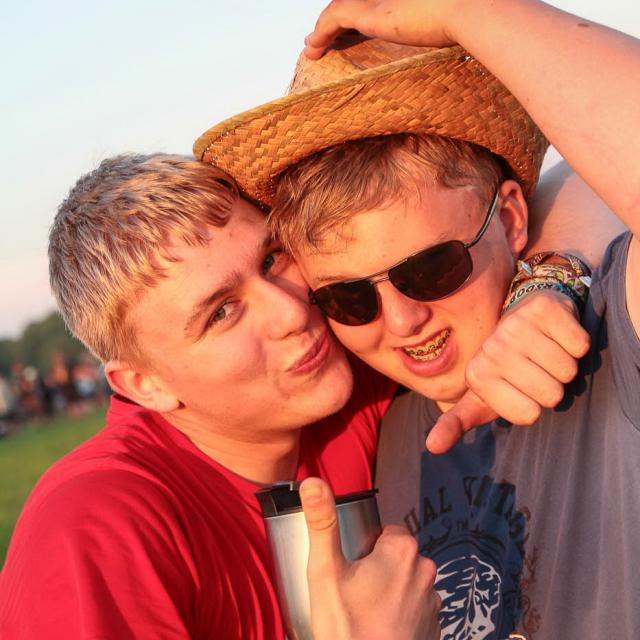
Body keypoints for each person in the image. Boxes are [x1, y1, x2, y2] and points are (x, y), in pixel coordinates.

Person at [195, 0, 639, 637]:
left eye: (432, 269)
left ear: (511, 219)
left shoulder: (609, 341)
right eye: (350, 298)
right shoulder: (393, 428)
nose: (402, 320)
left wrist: (468, 13)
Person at [0, 155, 440, 640]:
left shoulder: (348, 372)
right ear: (146, 385)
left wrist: (516, 311)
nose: (292, 313)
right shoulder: (94, 529)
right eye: (222, 313)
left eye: (271, 259)